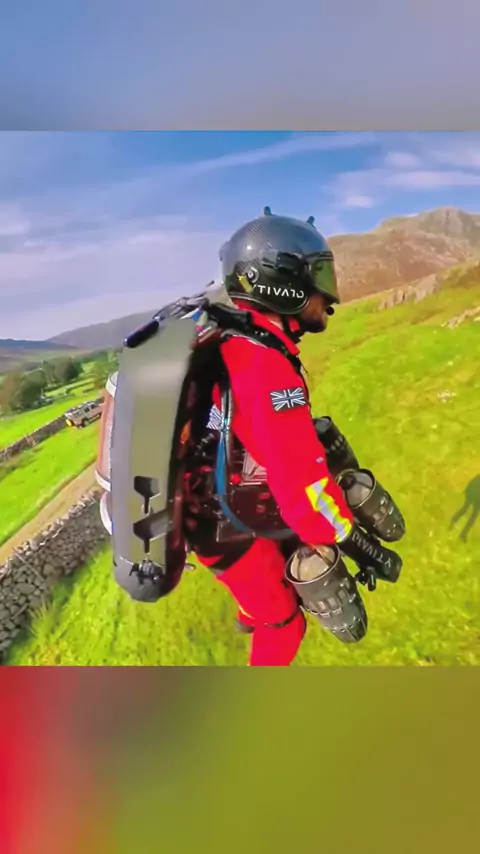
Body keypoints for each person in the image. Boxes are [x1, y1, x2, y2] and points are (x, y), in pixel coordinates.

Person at [181, 208, 402, 667]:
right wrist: (360, 545)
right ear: (282, 284)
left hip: (219, 498)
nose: (330, 297)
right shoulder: (263, 366)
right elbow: (304, 491)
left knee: (279, 572)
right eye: (318, 279)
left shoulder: (239, 338)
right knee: (284, 624)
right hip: (220, 525)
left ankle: (251, 606)